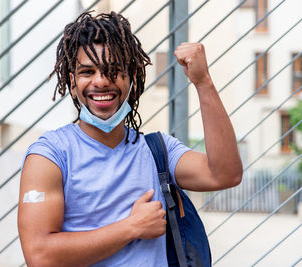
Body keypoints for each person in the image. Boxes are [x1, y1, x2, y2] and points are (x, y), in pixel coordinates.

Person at [18, 11, 242, 267]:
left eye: (113, 70)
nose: (100, 81)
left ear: (132, 80)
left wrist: (203, 82)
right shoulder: (50, 156)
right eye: (87, 72)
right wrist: (132, 227)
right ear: (72, 83)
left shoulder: (158, 151)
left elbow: (225, 174)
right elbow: (40, 255)